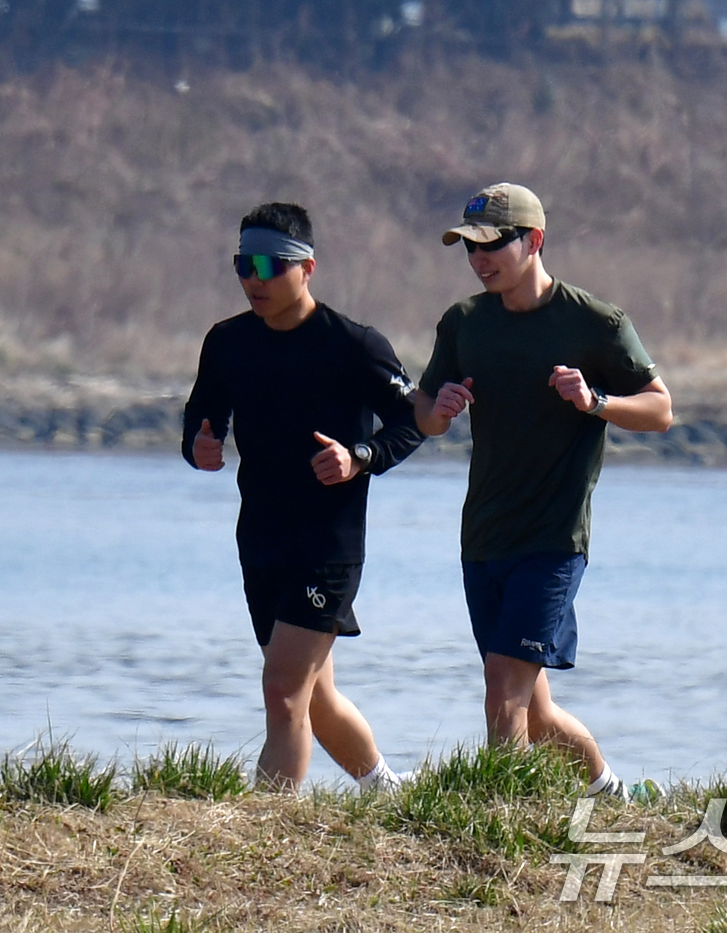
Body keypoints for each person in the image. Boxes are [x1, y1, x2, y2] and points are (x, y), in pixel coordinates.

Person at [414, 183, 673, 800]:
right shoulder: (464, 324)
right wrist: (440, 409)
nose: (479, 260)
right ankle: (613, 794)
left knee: (503, 686)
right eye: (468, 249)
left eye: (491, 245)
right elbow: (424, 414)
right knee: (534, 711)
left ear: (533, 241)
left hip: (553, 541)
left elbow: (661, 411)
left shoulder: (595, 323)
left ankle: (500, 823)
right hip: (483, 537)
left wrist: (595, 401)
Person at [183, 202, 425, 794]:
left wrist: (359, 457)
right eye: (244, 265)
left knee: (282, 688)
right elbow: (200, 415)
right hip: (260, 539)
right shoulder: (228, 342)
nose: (254, 279)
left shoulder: (355, 345)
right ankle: (385, 788)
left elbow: (413, 421)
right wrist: (199, 446)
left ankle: (268, 831)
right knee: (314, 695)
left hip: (328, 545)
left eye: (269, 265)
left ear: (307, 268)